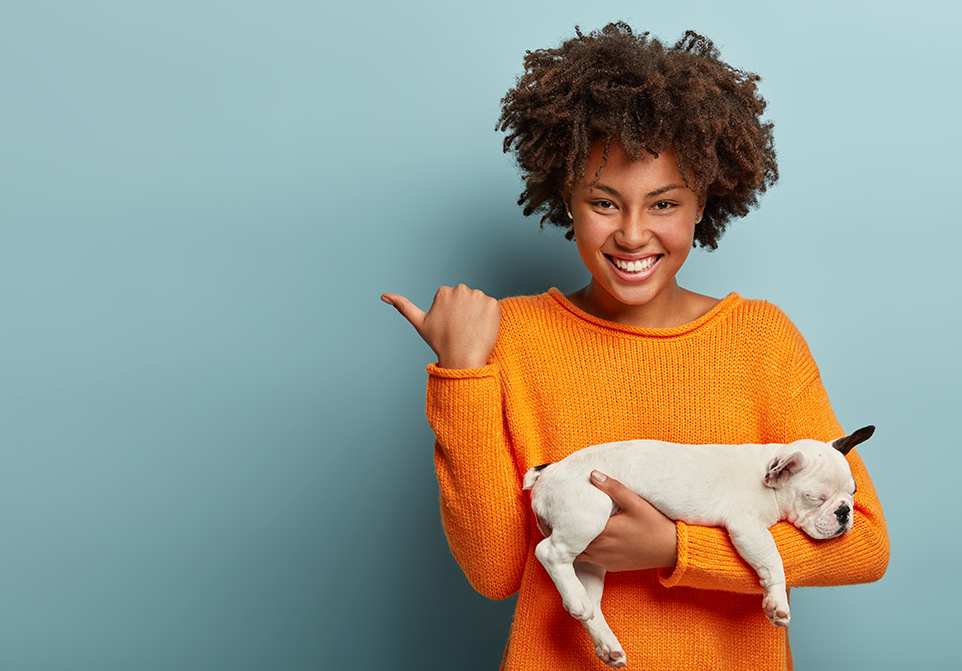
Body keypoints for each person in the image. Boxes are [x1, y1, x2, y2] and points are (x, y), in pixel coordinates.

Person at [381, 22, 889, 671]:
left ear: (702, 200)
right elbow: (492, 570)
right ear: (564, 195)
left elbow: (864, 545)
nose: (630, 233)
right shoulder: (512, 337)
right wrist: (460, 372)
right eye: (602, 201)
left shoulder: (761, 340)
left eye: (662, 203)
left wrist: (676, 547)